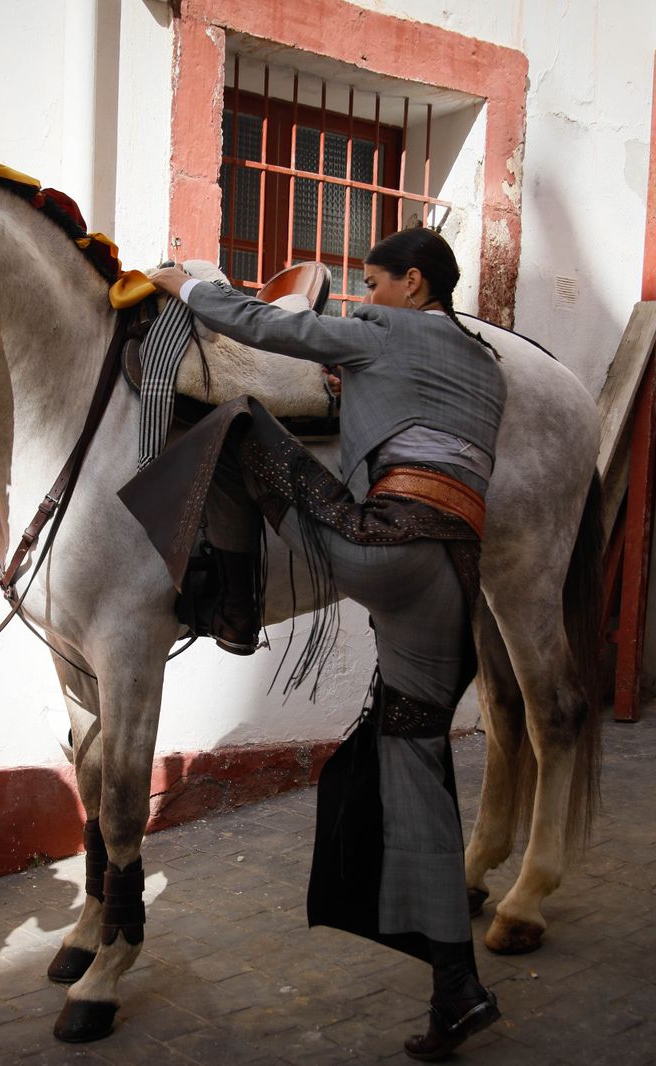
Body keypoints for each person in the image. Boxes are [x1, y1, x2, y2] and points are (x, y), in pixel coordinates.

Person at [127, 229, 503, 1060]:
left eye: (376, 281)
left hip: (382, 548)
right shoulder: (486, 363)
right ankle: (457, 988)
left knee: (234, 424)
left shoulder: (383, 329)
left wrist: (186, 286)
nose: (367, 296)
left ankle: (229, 605)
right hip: (451, 580)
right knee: (419, 772)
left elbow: (270, 327)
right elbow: (422, 419)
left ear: (414, 283)